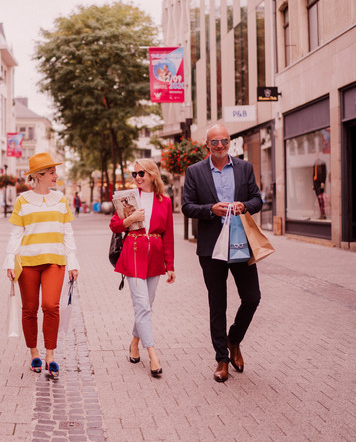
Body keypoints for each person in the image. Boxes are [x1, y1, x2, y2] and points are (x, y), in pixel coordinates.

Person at [182, 123, 263, 383]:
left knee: (252, 298)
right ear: (207, 145)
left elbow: (257, 200)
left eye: (224, 141)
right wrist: (210, 209)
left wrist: (243, 205)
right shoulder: (194, 172)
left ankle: (234, 339)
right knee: (218, 304)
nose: (220, 146)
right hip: (211, 247)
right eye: (214, 142)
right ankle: (221, 358)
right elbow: (186, 206)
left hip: (241, 242)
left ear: (230, 142)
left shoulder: (244, 168)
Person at [3, 153, 79, 377]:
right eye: (52, 172)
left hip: (55, 260)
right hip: (27, 262)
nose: (56, 175)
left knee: (51, 306)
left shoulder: (61, 199)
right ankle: (34, 353)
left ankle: (51, 356)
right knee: (29, 309)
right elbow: (16, 234)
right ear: (39, 176)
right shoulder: (22, 201)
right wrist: (9, 260)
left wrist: (73, 263)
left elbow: (68, 232)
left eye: (55, 172)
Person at [109, 159, 176, 378]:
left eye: (141, 173)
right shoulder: (128, 198)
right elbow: (114, 225)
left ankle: (134, 343)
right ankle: (153, 354)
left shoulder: (164, 201)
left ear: (152, 174)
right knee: (142, 305)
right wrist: (131, 219)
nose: (137, 177)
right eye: (134, 173)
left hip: (155, 255)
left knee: (147, 304)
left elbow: (169, 235)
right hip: (134, 252)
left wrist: (170, 265)